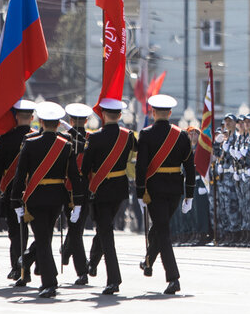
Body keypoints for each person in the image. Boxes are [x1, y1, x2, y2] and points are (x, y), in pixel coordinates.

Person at [11, 101, 84, 298]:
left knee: (43, 240)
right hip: (57, 198)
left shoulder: (30, 143)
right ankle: (37, 269)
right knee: (45, 238)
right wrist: (77, 202)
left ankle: (49, 282)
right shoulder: (66, 145)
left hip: (35, 197)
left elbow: (20, 175)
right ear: (58, 124)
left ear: (41, 122)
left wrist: (15, 200)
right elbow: (74, 177)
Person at [135, 94, 196, 295]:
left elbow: (141, 166)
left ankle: (173, 278)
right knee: (160, 228)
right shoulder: (182, 135)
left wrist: (140, 191)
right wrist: (189, 195)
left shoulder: (146, 134)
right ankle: (148, 262)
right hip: (175, 190)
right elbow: (189, 166)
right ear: (170, 113)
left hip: (154, 190)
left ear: (153, 113)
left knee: (162, 232)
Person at [80, 98, 137, 295]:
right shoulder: (128, 136)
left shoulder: (94, 138)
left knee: (106, 233)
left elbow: (85, 168)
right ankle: (93, 262)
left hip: (101, 191)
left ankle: (113, 280)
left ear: (103, 115)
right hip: (120, 190)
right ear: (120, 116)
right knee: (104, 229)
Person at [0, 99, 36, 280]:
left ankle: (18, 269)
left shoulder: (6, 138)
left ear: (16, 117)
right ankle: (31, 263)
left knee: (16, 233)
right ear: (32, 117)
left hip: (12, 192)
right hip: (34, 191)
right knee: (41, 232)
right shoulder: (37, 137)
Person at [61, 102, 93, 285]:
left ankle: (78, 265)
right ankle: (77, 264)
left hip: (68, 187)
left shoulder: (67, 139)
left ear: (71, 120)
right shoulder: (90, 138)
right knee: (76, 228)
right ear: (87, 121)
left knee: (75, 229)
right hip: (84, 188)